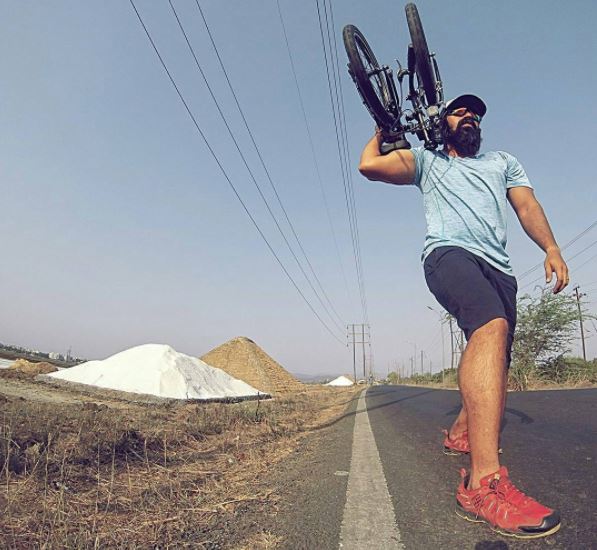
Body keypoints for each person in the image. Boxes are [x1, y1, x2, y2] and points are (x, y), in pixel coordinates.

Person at [358, 94, 568, 539]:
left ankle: (459, 433)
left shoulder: (503, 162)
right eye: (459, 111)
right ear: (442, 121)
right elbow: (369, 166)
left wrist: (550, 248)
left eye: (475, 113)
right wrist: (382, 129)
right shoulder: (428, 161)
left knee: (497, 352)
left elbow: (527, 206)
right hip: (449, 254)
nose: (469, 116)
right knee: (490, 326)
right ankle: (483, 483)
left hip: (500, 268)